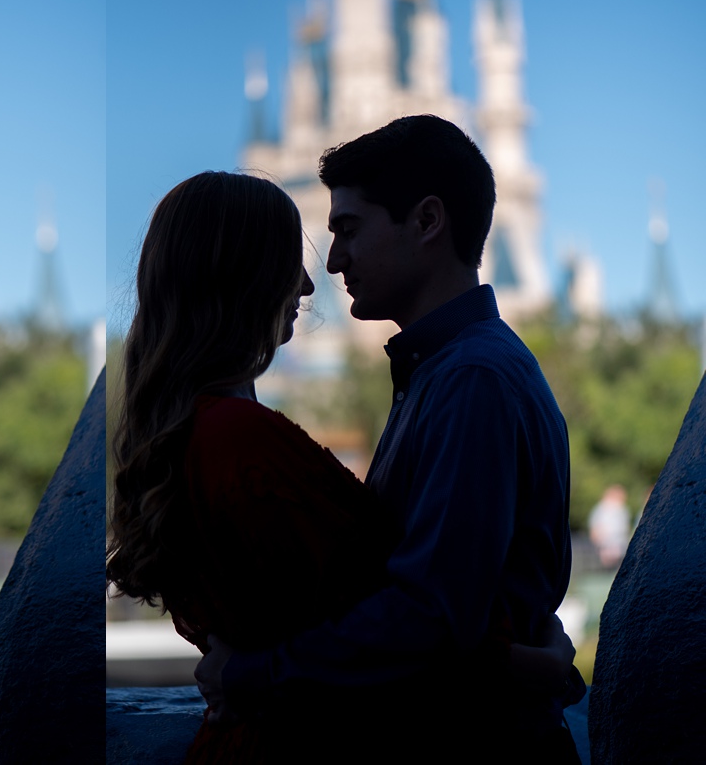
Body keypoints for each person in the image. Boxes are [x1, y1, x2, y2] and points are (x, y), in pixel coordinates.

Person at [194, 115, 582, 760]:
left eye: (349, 229)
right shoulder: (442, 372)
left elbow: (431, 619)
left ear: (428, 222)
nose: (335, 259)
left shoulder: (472, 380)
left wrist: (247, 675)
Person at [108, 170, 399, 761]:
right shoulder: (237, 438)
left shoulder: (192, 431)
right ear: (242, 279)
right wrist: (523, 659)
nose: (307, 286)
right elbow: (377, 621)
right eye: (285, 261)